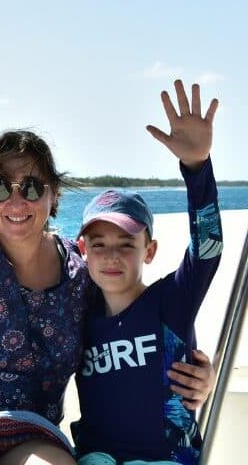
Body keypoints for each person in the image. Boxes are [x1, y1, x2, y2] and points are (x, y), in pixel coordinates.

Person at [0, 0, 217, 464]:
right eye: (1, 188)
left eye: (32, 187)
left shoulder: (82, 277)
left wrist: (195, 368)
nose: (17, 200)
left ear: (53, 195)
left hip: (30, 427)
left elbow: (136, 324)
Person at [72, 82, 221, 465]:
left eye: (126, 243)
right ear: (83, 252)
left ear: (149, 251)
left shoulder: (171, 300)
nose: (111, 256)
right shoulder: (76, 311)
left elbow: (207, 248)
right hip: (95, 458)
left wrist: (197, 167)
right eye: (99, 244)